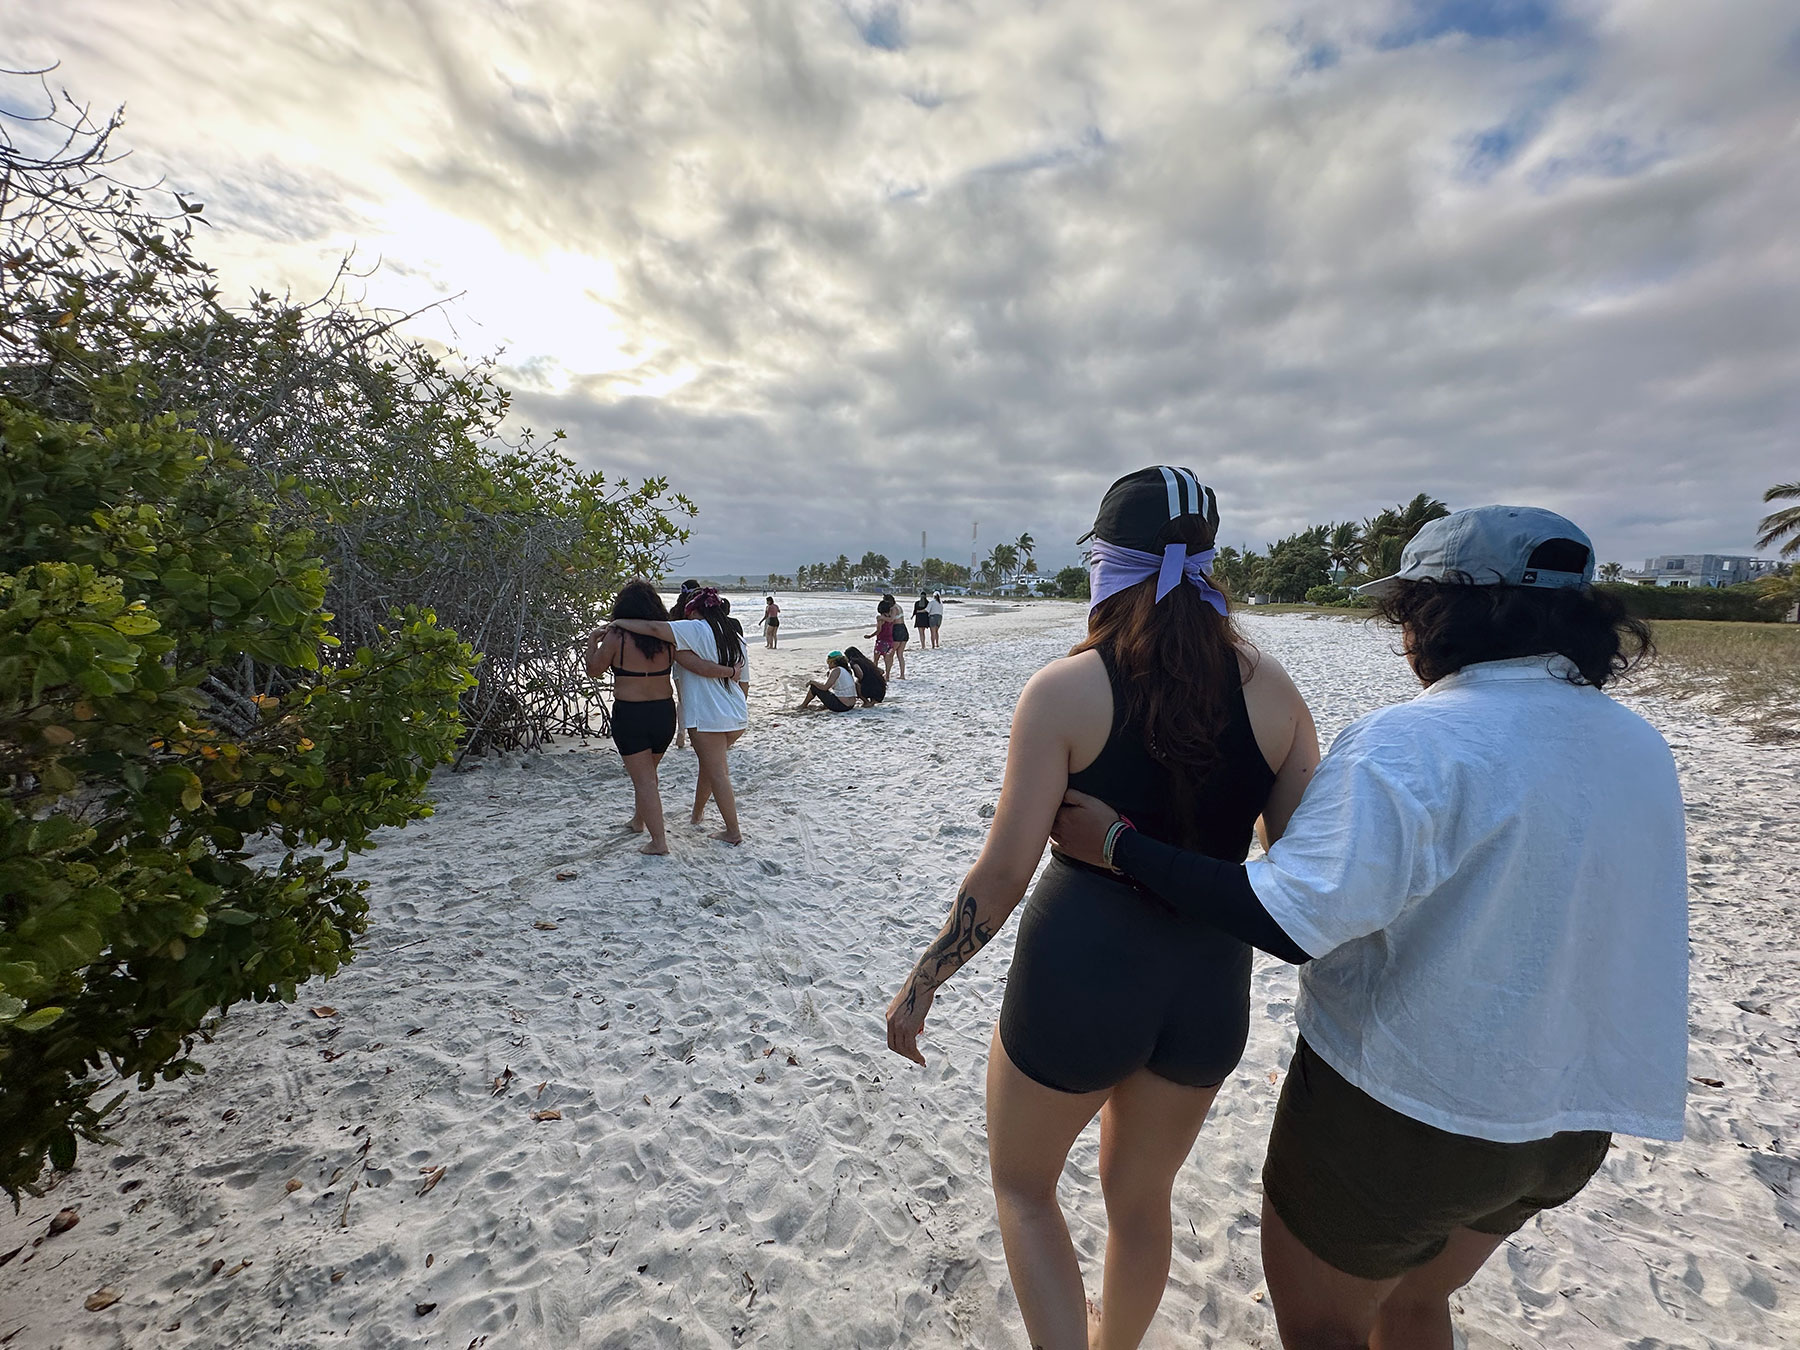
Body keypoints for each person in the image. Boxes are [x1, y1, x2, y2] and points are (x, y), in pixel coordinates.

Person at [1049, 505, 1687, 1350]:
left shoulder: (1412, 742)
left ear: (1443, 615)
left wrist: (1120, 843)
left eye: (1409, 611)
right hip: (1568, 1125)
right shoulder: (1640, 747)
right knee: (1415, 1304)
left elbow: (1285, 917)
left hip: (1411, 1118)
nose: (1402, 636)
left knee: (1327, 1325)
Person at [883, 467, 1319, 1350]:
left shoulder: (1066, 691)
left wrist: (924, 981)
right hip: (1206, 984)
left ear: (1108, 563)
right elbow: (1298, 874)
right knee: (1141, 1200)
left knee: (1024, 1189)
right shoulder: (1275, 694)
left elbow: (1002, 873)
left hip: (1082, 968)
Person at [583, 580, 740, 854]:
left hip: (631, 714)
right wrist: (729, 672)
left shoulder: (615, 636)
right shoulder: (668, 639)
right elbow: (696, 664)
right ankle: (638, 820)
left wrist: (591, 642)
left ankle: (658, 842)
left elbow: (594, 669)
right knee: (648, 775)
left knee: (643, 779)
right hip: (662, 714)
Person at [867, 594, 905, 681]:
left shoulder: (880, 618)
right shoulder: (891, 616)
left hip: (881, 640)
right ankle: (887, 676)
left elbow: (879, 630)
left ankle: (875, 676)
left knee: (876, 659)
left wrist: (870, 636)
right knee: (888, 659)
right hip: (890, 640)